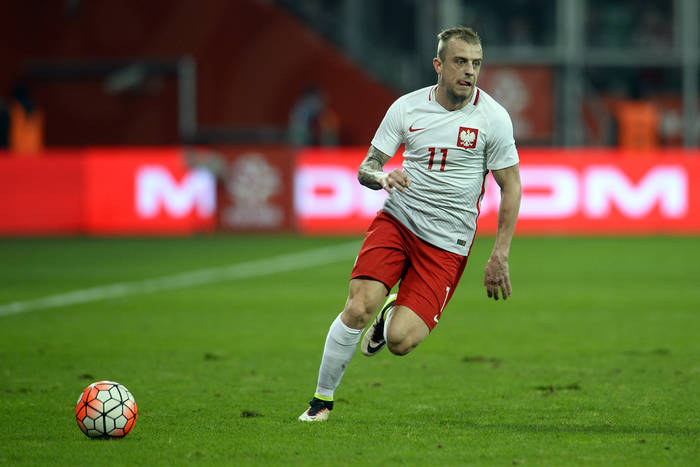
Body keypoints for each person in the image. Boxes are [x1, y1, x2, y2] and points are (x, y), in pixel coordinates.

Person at [299, 26, 522, 422]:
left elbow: (511, 186)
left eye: (476, 64)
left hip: (447, 244)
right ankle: (321, 401)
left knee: (401, 341)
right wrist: (383, 178)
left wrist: (499, 254)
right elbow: (367, 168)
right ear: (439, 64)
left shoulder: (493, 118)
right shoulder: (406, 108)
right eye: (460, 62)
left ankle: (390, 317)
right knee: (357, 307)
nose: (469, 71)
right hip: (398, 220)